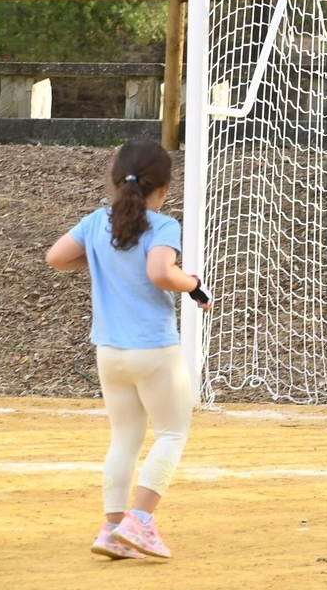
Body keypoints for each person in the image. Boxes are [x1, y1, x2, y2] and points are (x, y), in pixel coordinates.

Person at [43, 140, 210, 560]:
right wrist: (191, 284)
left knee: (125, 439)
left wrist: (100, 261)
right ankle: (142, 523)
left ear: (116, 180)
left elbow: (57, 258)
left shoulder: (97, 222)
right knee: (172, 433)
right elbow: (159, 272)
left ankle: (112, 527)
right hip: (153, 351)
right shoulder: (164, 225)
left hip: (110, 353)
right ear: (164, 187)